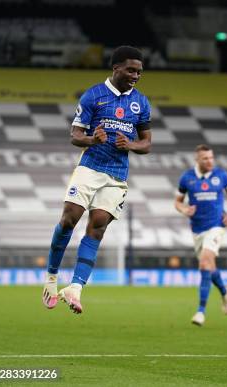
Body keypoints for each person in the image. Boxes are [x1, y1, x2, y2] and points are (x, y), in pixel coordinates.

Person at [41, 46, 152, 314]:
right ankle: (51, 279)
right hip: (90, 167)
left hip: (117, 174)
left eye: (139, 71)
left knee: (99, 225)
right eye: (131, 70)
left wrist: (132, 145)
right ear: (116, 68)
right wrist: (92, 139)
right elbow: (74, 135)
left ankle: (75, 288)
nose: (136, 75)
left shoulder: (141, 102)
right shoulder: (94, 95)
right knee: (69, 218)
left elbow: (147, 143)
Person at [175, 144, 227, 326]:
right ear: (197, 160)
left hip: (217, 226)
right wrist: (184, 209)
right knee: (209, 266)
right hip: (197, 230)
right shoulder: (187, 178)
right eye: (205, 158)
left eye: (211, 157)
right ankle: (224, 290)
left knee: (204, 262)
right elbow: (177, 202)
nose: (210, 161)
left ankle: (200, 312)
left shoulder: (221, 176)